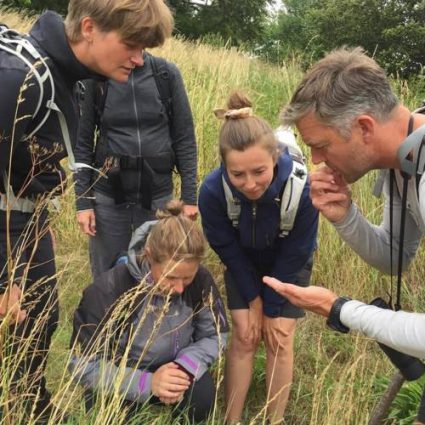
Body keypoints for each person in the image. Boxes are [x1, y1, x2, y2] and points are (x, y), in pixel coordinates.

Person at [0, 0, 173, 421]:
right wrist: (4, 272)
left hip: (25, 216)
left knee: (38, 319)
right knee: (15, 318)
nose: (138, 59)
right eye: (131, 45)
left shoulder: (73, 76)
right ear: (90, 28)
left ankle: (30, 406)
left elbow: (21, 164)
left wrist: (37, 218)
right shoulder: (18, 79)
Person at [271, 46, 425, 424]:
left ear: (364, 127)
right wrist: (346, 217)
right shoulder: (405, 159)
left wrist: (339, 309)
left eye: (321, 146)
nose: (318, 160)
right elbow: (396, 257)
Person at [198, 92, 318, 424]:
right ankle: (231, 419)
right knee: (245, 332)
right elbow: (228, 251)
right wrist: (253, 301)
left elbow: (298, 252)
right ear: (225, 167)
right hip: (244, 261)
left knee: (279, 334)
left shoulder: (302, 189)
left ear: (276, 157)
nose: (250, 184)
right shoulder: (211, 191)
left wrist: (272, 307)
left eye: (259, 172)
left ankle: (273, 419)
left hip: (288, 261)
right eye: (238, 175)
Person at [69, 200, 229, 423]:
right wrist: (147, 384)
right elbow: (82, 364)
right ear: (149, 255)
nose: (180, 288)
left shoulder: (201, 280)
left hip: (176, 367)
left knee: (200, 400)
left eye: (187, 278)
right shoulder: (108, 289)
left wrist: (184, 367)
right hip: (123, 373)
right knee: (111, 415)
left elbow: (216, 335)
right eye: (171, 277)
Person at [74, 52, 198, 277]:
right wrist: (83, 203)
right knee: (106, 277)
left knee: (158, 272)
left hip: (159, 198)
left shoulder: (166, 74)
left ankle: (151, 314)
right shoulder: (97, 79)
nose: (137, 57)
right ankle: (108, 313)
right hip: (108, 197)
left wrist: (190, 198)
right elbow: (82, 143)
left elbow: (185, 138)